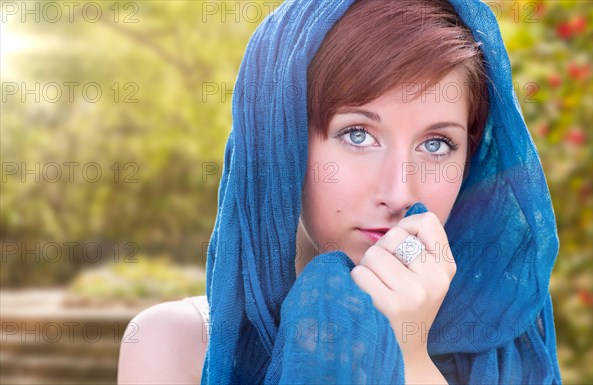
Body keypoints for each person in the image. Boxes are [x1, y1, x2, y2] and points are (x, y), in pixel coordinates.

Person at [118, 0, 562, 384]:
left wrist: (408, 356)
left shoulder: (507, 337)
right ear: (282, 143)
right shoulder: (177, 345)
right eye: (357, 135)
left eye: (436, 144)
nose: (398, 191)